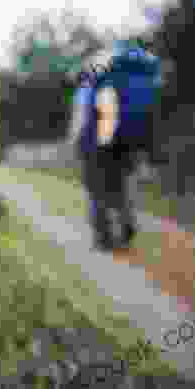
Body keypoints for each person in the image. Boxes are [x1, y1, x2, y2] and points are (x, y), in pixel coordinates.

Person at [68, 41, 161, 251]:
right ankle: (127, 224)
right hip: (126, 139)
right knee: (119, 186)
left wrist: (74, 143)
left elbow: (81, 118)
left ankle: (104, 238)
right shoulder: (126, 75)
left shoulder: (88, 86)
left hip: (96, 141)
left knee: (96, 190)